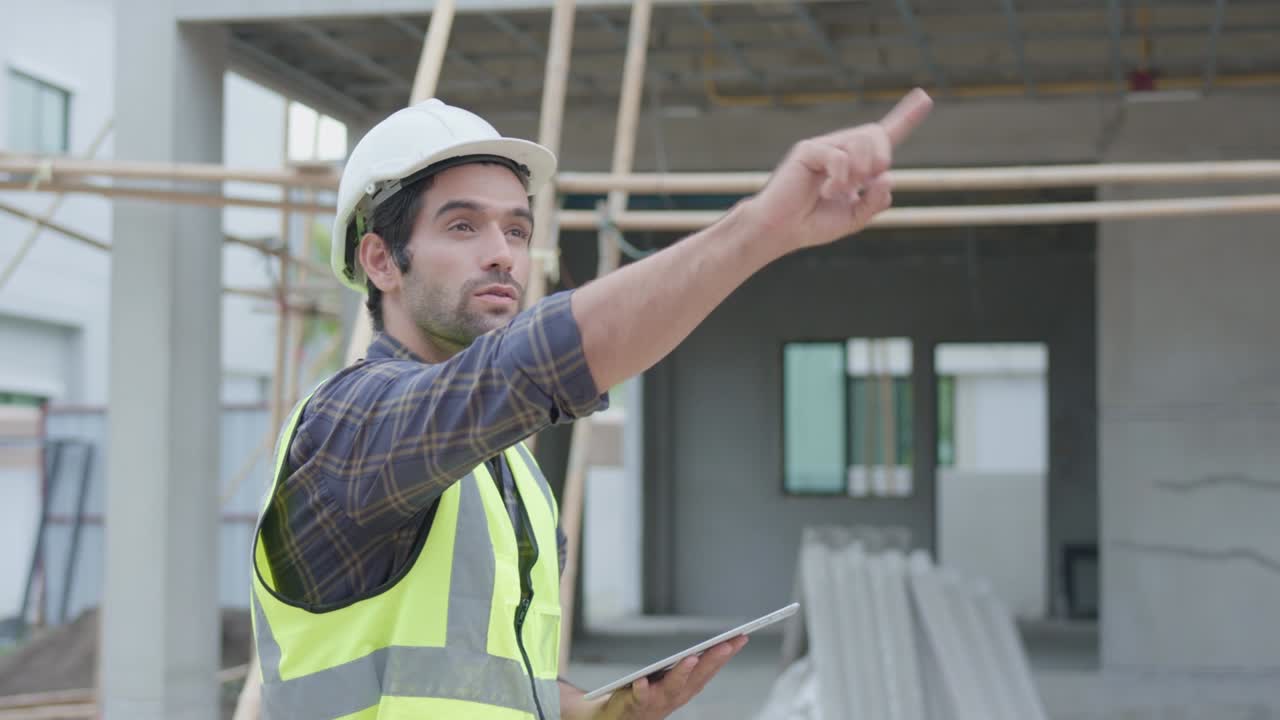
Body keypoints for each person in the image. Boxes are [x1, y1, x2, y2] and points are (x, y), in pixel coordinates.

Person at [249, 89, 933, 720]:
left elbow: (481, 679)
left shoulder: (507, 469)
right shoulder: (348, 428)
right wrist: (758, 229)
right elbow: (527, 362)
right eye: (463, 228)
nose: (502, 256)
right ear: (380, 261)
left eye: (516, 230)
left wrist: (594, 709)